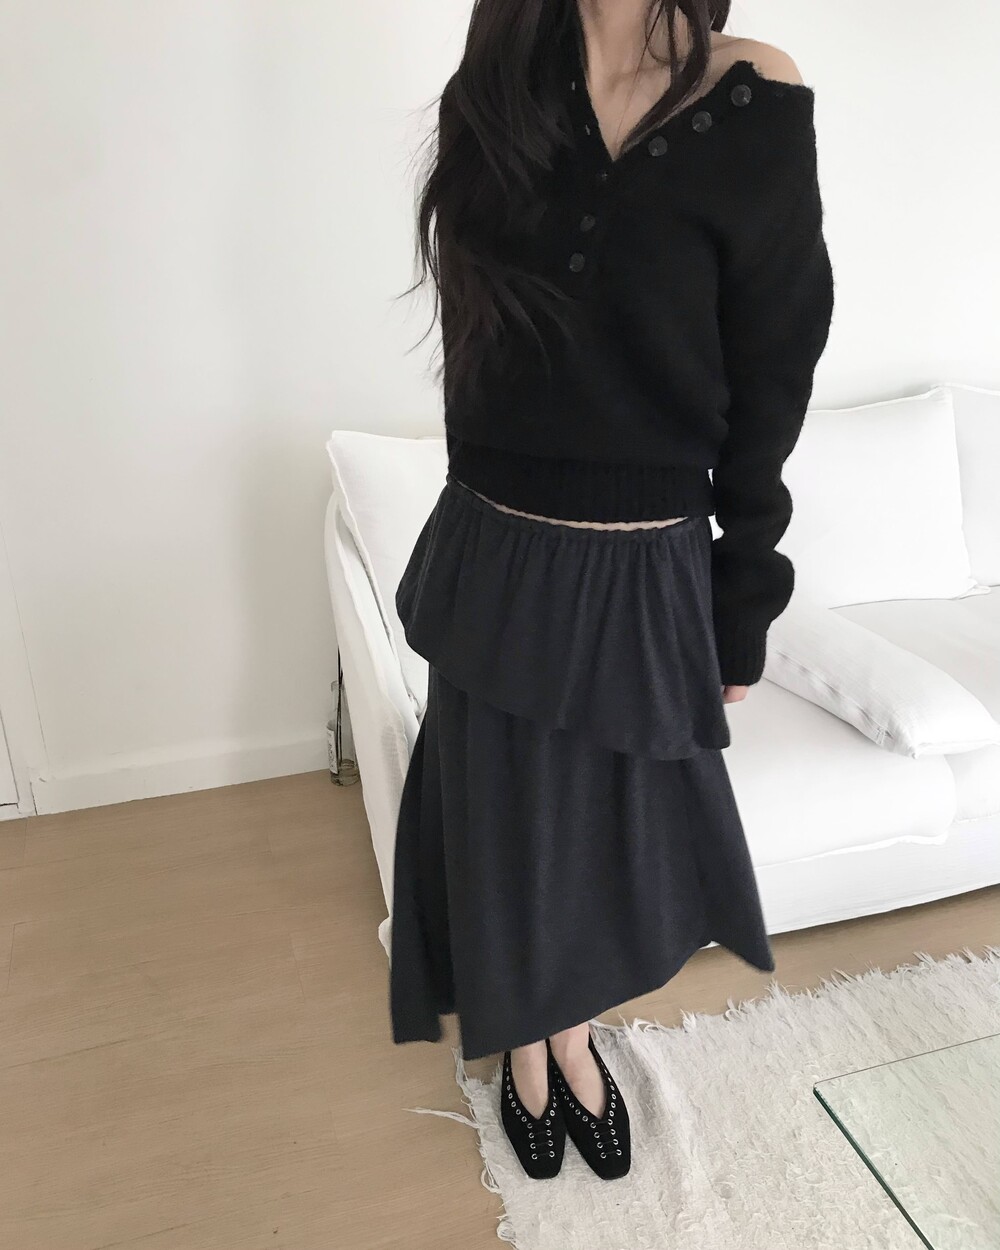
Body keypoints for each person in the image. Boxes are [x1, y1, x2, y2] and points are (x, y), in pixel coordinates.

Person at [389, 0, 836, 1181]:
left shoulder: (750, 87)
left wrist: (743, 589)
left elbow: (774, 366)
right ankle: (531, 1049)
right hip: (497, 542)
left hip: (643, 561)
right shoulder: (495, 90)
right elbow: (475, 344)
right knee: (503, 819)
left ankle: (570, 1034)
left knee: (600, 831)